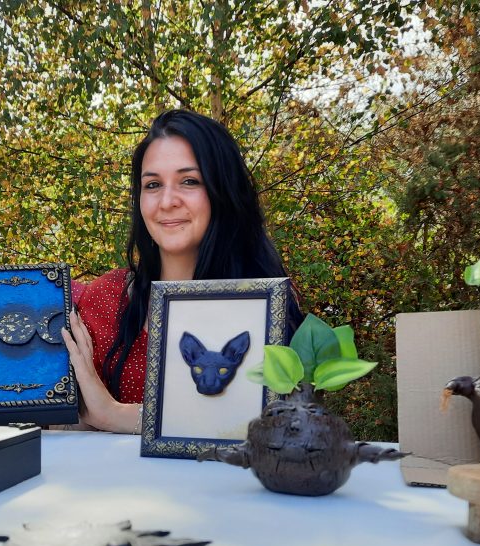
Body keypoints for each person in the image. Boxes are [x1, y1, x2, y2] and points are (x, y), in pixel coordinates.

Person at [61, 109, 303, 433]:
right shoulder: (106, 298)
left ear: (222, 190)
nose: (167, 201)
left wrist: (115, 414)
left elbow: (269, 430)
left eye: (189, 181)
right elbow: (63, 421)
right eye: (152, 185)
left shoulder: (264, 308)